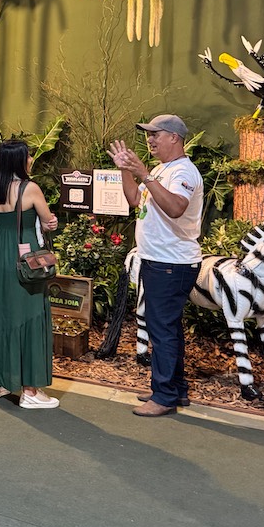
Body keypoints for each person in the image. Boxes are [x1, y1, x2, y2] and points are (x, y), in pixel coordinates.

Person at [108, 114, 203, 417]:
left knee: (162, 331)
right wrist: (126, 170)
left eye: (155, 134)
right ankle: (176, 389)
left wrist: (144, 173)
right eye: (148, 134)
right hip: (159, 261)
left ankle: (164, 396)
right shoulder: (162, 170)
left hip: (171, 263)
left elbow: (175, 208)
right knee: (167, 328)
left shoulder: (183, 171)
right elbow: (135, 200)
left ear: (174, 137)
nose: (149, 140)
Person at [0, 139, 61, 408]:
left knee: (0, 316)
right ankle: (30, 391)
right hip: (25, 260)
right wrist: (51, 223)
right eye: (27, 156)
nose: (30, 160)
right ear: (18, 160)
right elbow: (47, 222)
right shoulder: (30, 188)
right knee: (30, 315)